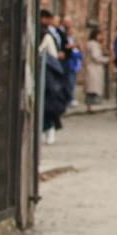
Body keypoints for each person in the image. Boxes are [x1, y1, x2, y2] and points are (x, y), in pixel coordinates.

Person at [39, 9, 68, 144]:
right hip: (46, 75)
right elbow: (54, 55)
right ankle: (48, 129)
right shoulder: (48, 35)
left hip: (45, 75)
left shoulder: (46, 35)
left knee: (46, 104)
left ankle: (49, 128)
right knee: (47, 104)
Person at [83, 25, 108, 109]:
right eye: (100, 35)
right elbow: (96, 57)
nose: (101, 37)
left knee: (90, 89)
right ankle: (91, 106)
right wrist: (107, 59)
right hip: (93, 69)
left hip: (91, 68)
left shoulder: (91, 44)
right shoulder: (93, 45)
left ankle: (89, 107)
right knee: (92, 89)